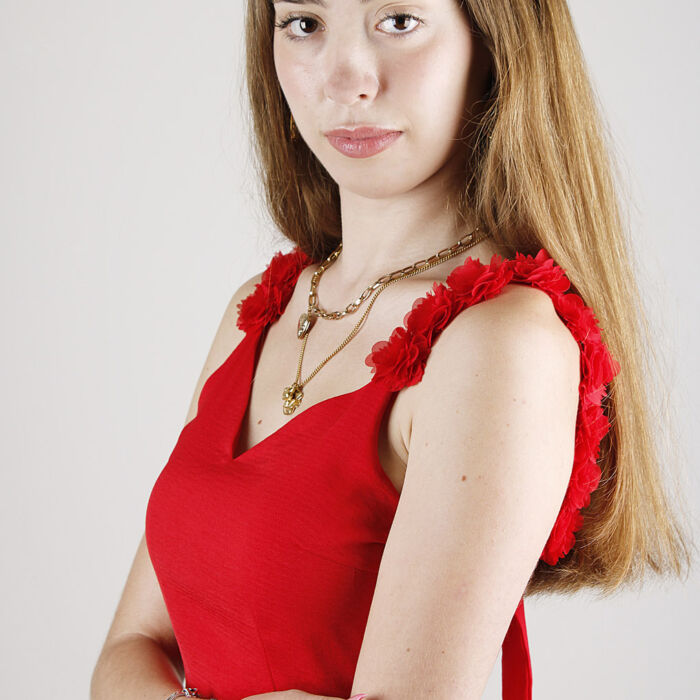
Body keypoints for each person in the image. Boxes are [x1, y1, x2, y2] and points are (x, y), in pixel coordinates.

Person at [91, 1, 693, 699]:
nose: (346, 80)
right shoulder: (260, 307)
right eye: (305, 23)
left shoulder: (503, 343)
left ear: (495, 42)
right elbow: (125, 654)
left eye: (399, 20)